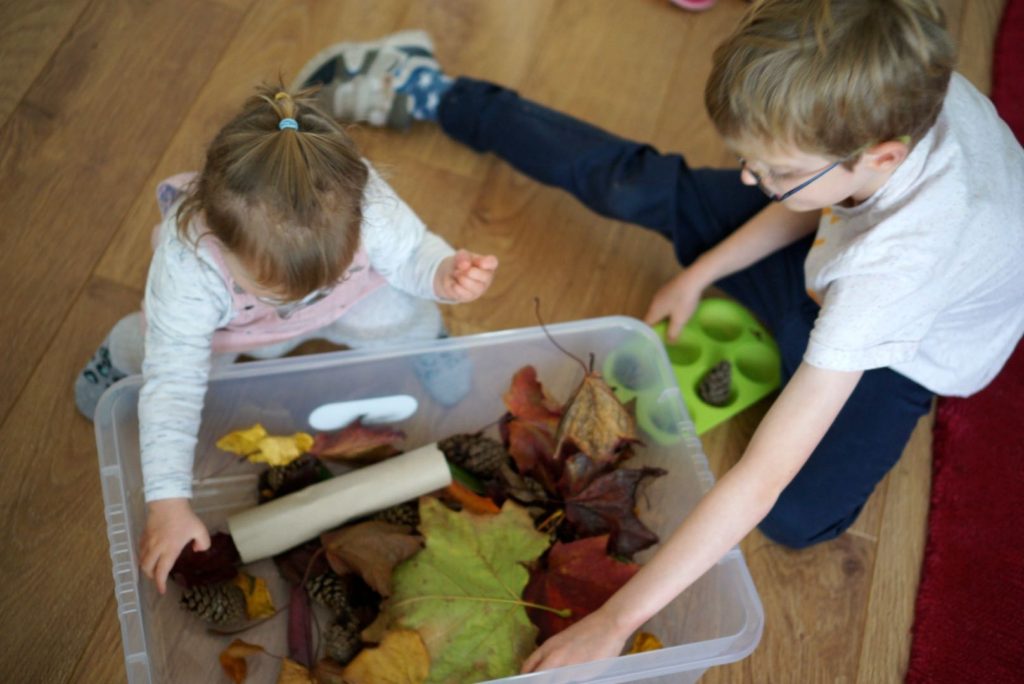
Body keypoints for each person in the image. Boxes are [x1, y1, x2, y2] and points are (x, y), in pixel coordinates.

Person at [302, 0, 1024, 671]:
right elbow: (821, 202)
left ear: (884, 156)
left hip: (905, 343)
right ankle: (434, 89)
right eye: (751, 158)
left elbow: (764, 477)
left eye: (773, 169)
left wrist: (615, 622)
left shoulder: (894, 274)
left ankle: (804, 354)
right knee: (634, 182)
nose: (750, 178)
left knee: (803, 517)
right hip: (835, 246)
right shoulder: (884, 95)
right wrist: (703, 269)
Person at [74, 85, 499, 593]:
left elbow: (410, 255)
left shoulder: (365, 197)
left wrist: (442, 273)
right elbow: (174, 385)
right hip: (233, 331)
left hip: (353, 297)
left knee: (404, 310)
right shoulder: (188, 261)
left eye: (326, 272)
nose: (306, 294)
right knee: (150, 353)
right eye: (280, 285)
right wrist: (168, 503)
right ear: (219, 237)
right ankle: (116, 358)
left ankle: (426, 340)